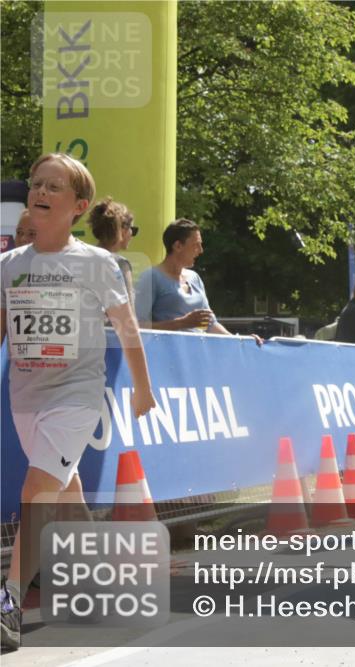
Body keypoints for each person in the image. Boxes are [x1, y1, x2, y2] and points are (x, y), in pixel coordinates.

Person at [0, 153, 156, 651]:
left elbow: (127, 326)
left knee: (37, 489)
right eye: (36, 184)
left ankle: (7, 604)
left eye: (54, 187)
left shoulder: (97, 263)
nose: (40, 192)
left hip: (76, 397)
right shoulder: (8, 266)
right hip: (27, 398)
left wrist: (142, 387)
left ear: (78, 206)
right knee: (63, 491)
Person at [136, 219, 257, 343]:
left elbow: (209, 324)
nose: (201, 250)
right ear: (178, 246)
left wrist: (241, 341)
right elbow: (138, 326)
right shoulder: (150, 277)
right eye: (196, 245)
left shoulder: (194, 278)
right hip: (168, 356)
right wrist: (181, 323)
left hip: (196, 356)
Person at [87, 197, 138, 309]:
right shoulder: (120, 264)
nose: (132, 235)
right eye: (133, 230)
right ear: (123, 231)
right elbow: (129, 313)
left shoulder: (81, 258)